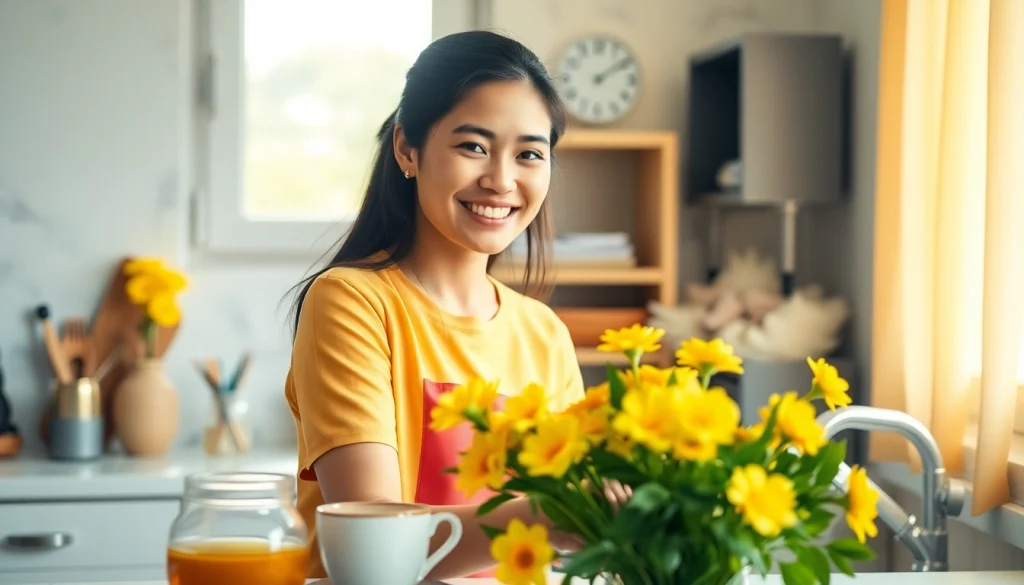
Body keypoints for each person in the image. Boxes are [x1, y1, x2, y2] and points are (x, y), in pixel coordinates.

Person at [284, 30, 596, 580]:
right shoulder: (352, 302)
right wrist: (556, 516)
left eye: (529, 154)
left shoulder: (544, 333)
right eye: (473, 146)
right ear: (408, 149)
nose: (501, 180)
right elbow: (372, 548)